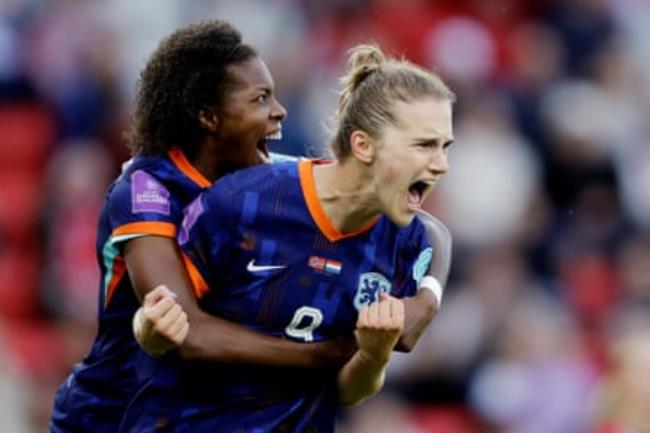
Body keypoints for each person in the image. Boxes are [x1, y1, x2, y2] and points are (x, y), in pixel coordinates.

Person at [50, 21, 447, 433]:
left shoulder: (263, 182)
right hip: (109, 411)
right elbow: (188, 329)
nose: (280, 111)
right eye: (261, 99)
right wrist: (320, 357)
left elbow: (430, 230)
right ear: (209, 116)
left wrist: (427, 298)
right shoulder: (146, 188)